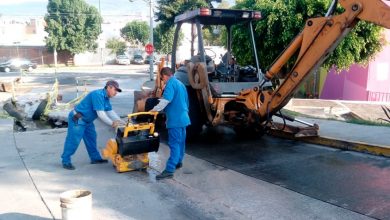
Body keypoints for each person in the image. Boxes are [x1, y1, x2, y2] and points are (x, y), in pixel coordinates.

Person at [61, 80, 124, 170]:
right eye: (115, 90)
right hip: (78, 119)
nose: (116, 93)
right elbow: (100, 114)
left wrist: (121, 122)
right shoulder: (98, 95)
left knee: (92, 139)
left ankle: (95, 158)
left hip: (87, 121)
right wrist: (112, 123)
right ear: (109, 87)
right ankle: (65, 161)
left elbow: (110, 112)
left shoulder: (106, 98)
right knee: (73, 141)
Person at [150, 67, 191, 180]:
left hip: (175, 120)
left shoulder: (170, 84)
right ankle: (178, 162)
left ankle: (169, 169)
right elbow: (186, 102)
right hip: (183, 118)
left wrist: (154, 110)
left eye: (162, 78)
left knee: (174, 144)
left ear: (164, 76)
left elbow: (165, 100)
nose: (163, 80)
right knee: (181, 142)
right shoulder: (180, 84)